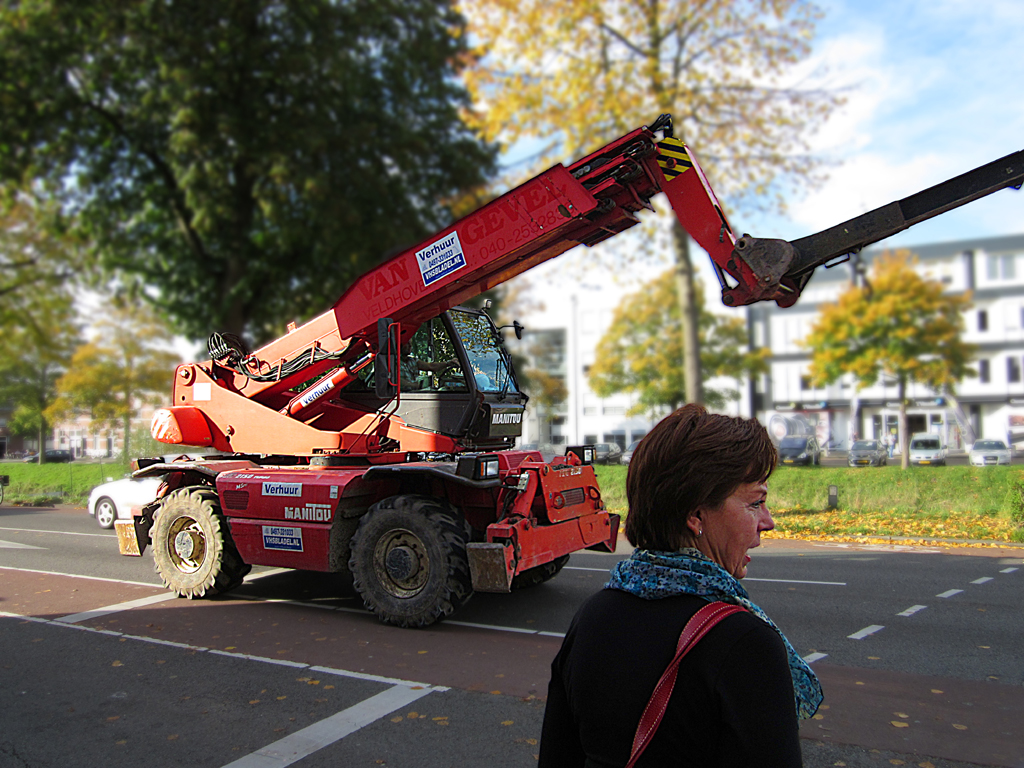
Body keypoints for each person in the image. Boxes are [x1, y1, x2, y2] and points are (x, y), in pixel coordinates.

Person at [539, 404, 822, 767]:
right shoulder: (745, 644)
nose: (767, 522)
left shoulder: (593, 616)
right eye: (756, 502)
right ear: (695, 515)